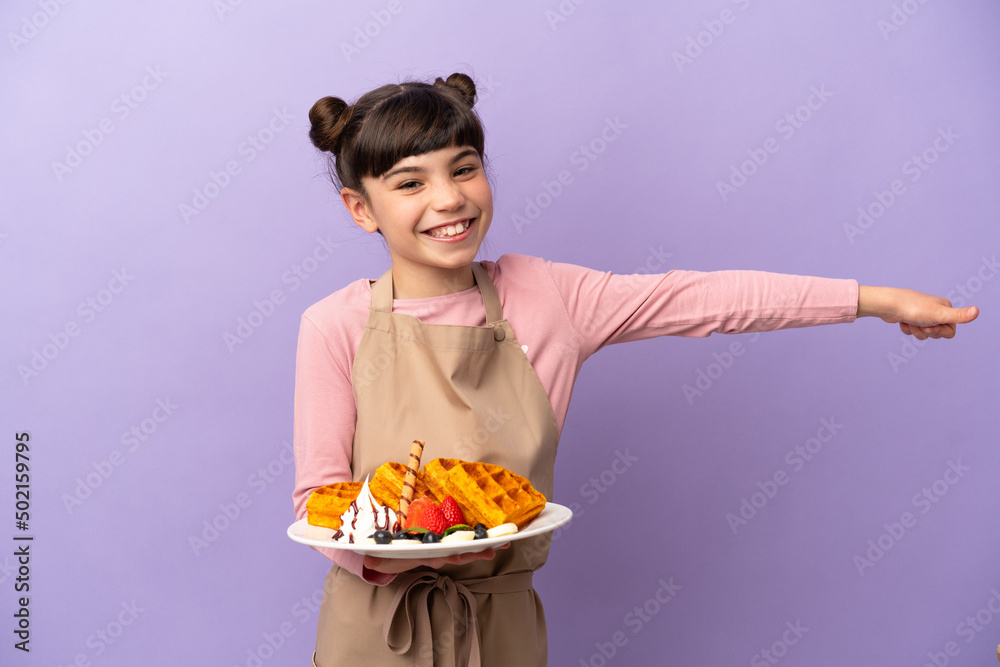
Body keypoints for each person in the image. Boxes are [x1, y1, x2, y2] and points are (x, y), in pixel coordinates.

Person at [292, 72, 978, 666]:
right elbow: (317, 499)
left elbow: (703, 300)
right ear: (361, 208)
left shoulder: (546, 298)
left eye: (464, 167)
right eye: (411, 181)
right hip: (372, 629)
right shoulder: (336, 325)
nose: (449, 198)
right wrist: (397, 549)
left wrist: (877, 300)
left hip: (499, 627)